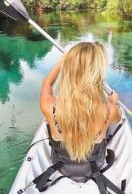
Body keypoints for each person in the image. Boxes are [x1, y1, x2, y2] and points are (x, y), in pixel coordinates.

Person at [38, 42, 124, 193]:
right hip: (94, 167)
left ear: (68, 71)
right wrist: (114, 102)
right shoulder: (110, 111)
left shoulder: (49, 106)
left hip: (61, 166)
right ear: (96, 75)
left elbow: (47, 83)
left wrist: (62, 61)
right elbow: (118, 119)